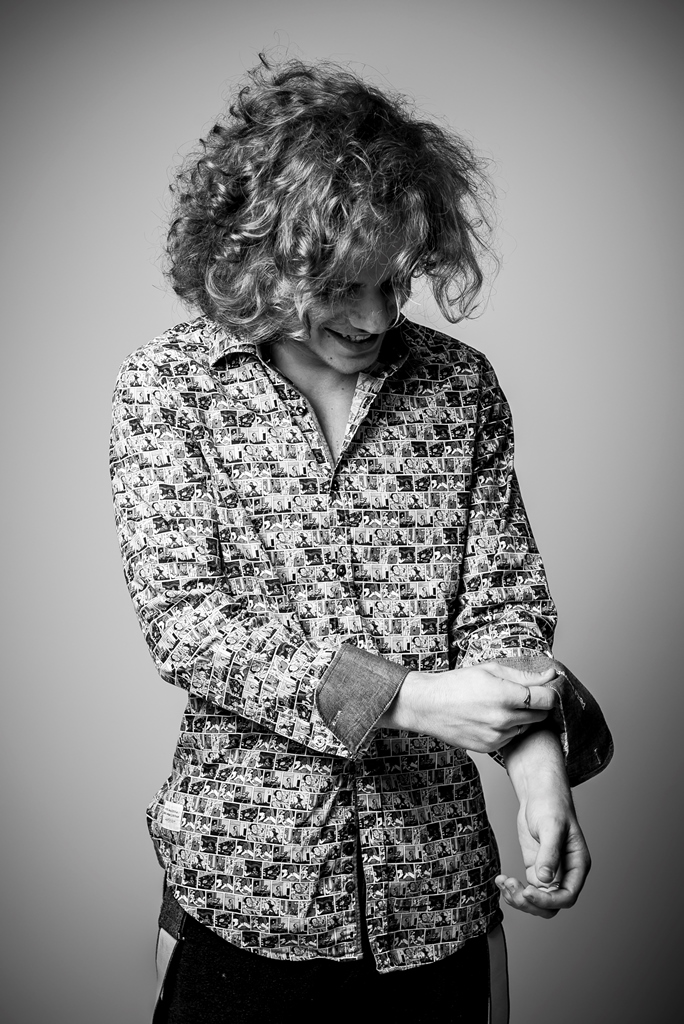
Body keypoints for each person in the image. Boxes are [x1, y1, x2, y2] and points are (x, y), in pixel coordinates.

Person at [110, 56, 613, 1024]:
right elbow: (190, 624)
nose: (377, 316)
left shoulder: (461, 388)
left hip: (438, 893)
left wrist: (540, 773)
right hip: (248, 893)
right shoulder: (169, 389)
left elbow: (502, 601)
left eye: (397, 279)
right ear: (259, 257)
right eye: (344, 284)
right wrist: (411, 697)